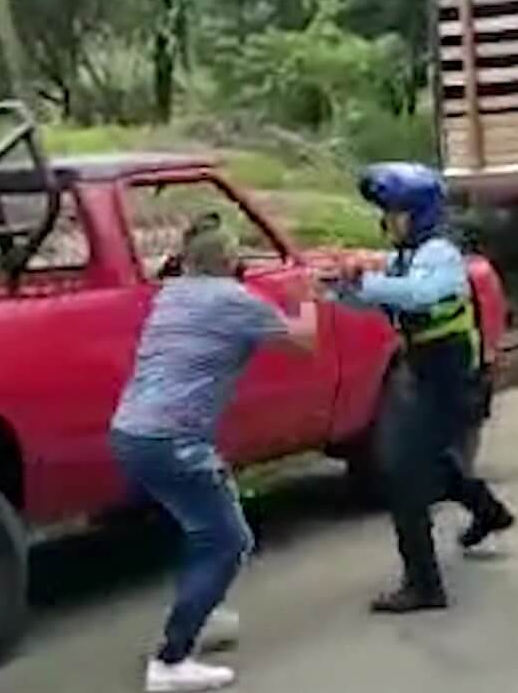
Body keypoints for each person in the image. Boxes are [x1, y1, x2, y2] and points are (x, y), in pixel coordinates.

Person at [109, 220, 318, 693]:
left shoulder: (172, 294)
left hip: (131, 433)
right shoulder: (234, 302)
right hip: (174, 441)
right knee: (228, 541)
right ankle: (171, 660)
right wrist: (306, 295)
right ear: (230, 262)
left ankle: (203, 615)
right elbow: (305, 342)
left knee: (200, 528)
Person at [334, 162, 515, 614]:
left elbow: (418, 295)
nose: (387, 221)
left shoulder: (439, 255)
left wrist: (370, 284)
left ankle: (424, 584)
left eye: (395, 212)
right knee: (429, 458)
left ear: (419, 213)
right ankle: (489, 512)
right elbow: (387, 296)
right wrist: (342, 290)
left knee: (403, 475)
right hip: (424, 370)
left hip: (451, 376)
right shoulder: (407, 253)